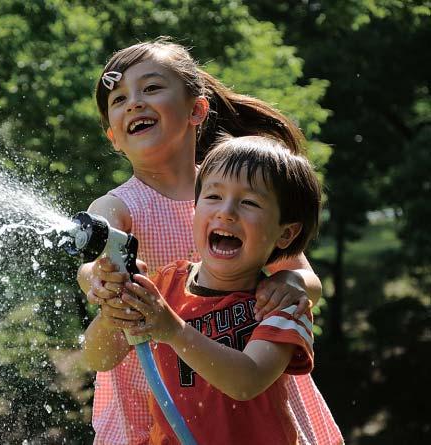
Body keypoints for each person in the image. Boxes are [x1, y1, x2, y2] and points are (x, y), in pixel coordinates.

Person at [78, 38, 342, 444]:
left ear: (196, 109)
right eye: (118, 99)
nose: (134, 102)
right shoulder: (119, 205)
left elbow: (306, 279)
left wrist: (287, 283)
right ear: (113, 135)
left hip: (244, 375)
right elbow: (95, 259)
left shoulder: (235, 187)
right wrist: (98, 277)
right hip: (159, 388)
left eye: (151, 88)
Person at [92, 134, 327, 444]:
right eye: (213, 197)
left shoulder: (282, 305)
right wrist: (112, 315)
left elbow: (247, 380)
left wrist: (173, 330)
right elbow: (98, 358)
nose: (226, 212)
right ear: (195, 208)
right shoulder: (166, 285)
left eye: (249, 202)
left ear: (286, 234)